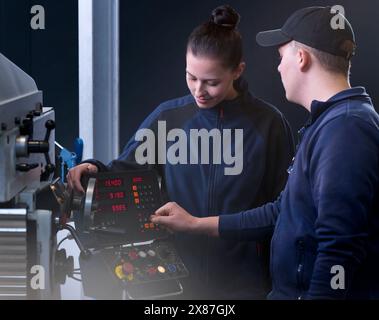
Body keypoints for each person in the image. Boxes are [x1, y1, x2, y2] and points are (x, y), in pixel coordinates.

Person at [151, 6, 379, 299]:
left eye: (281, 56)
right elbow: (280, 212)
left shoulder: (346, 129)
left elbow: (339, 249)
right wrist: (196, 225)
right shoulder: (332, 124)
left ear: (301, 58)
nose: (278, 67)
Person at [68, 5, 294, 299]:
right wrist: (93, 168)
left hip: (244, 285)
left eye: (211, 82)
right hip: (173, 283)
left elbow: (285, 211)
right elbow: (125, 170)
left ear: (237, 70)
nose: (199, 90)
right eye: (191, 77)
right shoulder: (168, 118)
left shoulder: (269, 125)